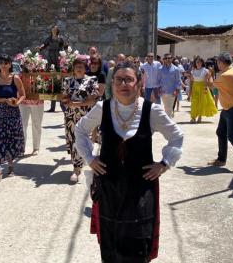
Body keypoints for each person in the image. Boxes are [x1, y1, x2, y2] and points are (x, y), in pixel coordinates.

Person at [74, 61, 183, 262]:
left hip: (140, 189)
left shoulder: (152, 111)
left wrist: (164, 164)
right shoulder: (102, 108)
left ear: (140, 82)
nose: (123, 84)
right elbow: (79, 130)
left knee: (138, 241)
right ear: (112, 83)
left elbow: (177, 137)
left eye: (129, 79)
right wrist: (89, 158)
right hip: (109, 188)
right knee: (110, 242)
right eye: (118, 80)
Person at [0, 54, 26, 181]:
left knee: (11, 138)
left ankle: (10, 166)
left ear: (10, 64)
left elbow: (23, 95)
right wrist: (4, 100)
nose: (3, 65)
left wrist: (17, 103)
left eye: (6, 62)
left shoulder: (15, 78)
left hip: (13, 113)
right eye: (1, 62)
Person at [208, 52, 233, 174]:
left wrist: (209, 73)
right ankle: (221, 159)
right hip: (228, 109)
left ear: (221, 62)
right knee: (221, 132)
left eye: (217, 63)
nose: (217, 65)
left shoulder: (226, 75)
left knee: (232, 137)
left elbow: (210, 85)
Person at [61, 57, 99, 183]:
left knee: (81, 140)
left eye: (81, 66)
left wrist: (76, 104)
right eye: (77, 66)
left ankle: (77, 169)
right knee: (72, 140)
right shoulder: (67, 81)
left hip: (85, 117)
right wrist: (66, 101)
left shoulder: (91, 80)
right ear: (73, 68)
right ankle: (77, 164)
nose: (79, 68)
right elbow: (64, 96)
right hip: (70, 116)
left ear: (85, 68)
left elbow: (93, 98)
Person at [36, 25, 67, 112]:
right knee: (52, 81)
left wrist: (67, 49)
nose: (53, 30)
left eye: (55, 29)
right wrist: (40, 48)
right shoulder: (49, 38)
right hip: (50, 57)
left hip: (58, 58)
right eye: (52, 29)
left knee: (60, 81)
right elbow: (44, 45)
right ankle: (52, 107)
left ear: (57, 30)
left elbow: (65, 47)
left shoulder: (60, 38)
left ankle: (63, 104)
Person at [189, 57, 218, 123]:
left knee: (201, 103)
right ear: (195, 63)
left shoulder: (206, 70)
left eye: (199, 62)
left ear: (202, 63)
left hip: (203, 87)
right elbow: (191, 81)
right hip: (195, 87)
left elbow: (210, 80)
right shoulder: (193, 71)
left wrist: (209, 85)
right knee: (194, 103)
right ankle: (193, 117)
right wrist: (190, 91)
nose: (198, 63)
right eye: (197, 62)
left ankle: (199, 116)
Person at [158, 53, 182, 118]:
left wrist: (177, 90)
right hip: (163, 92)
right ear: (164, 60)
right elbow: (159, 80)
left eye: (169, 58)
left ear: (172, 59)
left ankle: (169, 123)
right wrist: (159, 89)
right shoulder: (160, 69)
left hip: (172, 92)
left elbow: (178, 80)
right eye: (166, 58)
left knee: (168, 108)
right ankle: (169, 120)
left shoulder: (176, 69)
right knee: (166, 107)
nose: (167, 59)